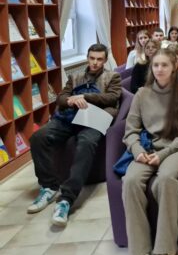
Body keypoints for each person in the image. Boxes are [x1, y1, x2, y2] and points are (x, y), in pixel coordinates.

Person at [28, 44, 121, 226]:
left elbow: (111, 97)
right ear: (87, 57)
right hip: (70, 118)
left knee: (86, 143)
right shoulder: (75, 76)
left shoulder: (113, 76)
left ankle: (66, 199)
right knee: (38, 137)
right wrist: (70, 101)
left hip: (94, 119)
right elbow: (61, 98)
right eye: (92, 58)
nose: (95, 62)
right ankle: (49, 186)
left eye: (99, 59)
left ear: (105, 60)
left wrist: (84, 97)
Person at [122, 48, 178, 255]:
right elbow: (130, 130)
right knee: (130, 181)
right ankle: (140, 249)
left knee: (165, 180)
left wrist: (163, 155)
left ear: (174, 67)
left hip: (177, 149)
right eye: (156, 65)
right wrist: (137, 151)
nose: (159, 69)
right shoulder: (142, 94)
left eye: (165, 65)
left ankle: (165, 248)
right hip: (147, 149)